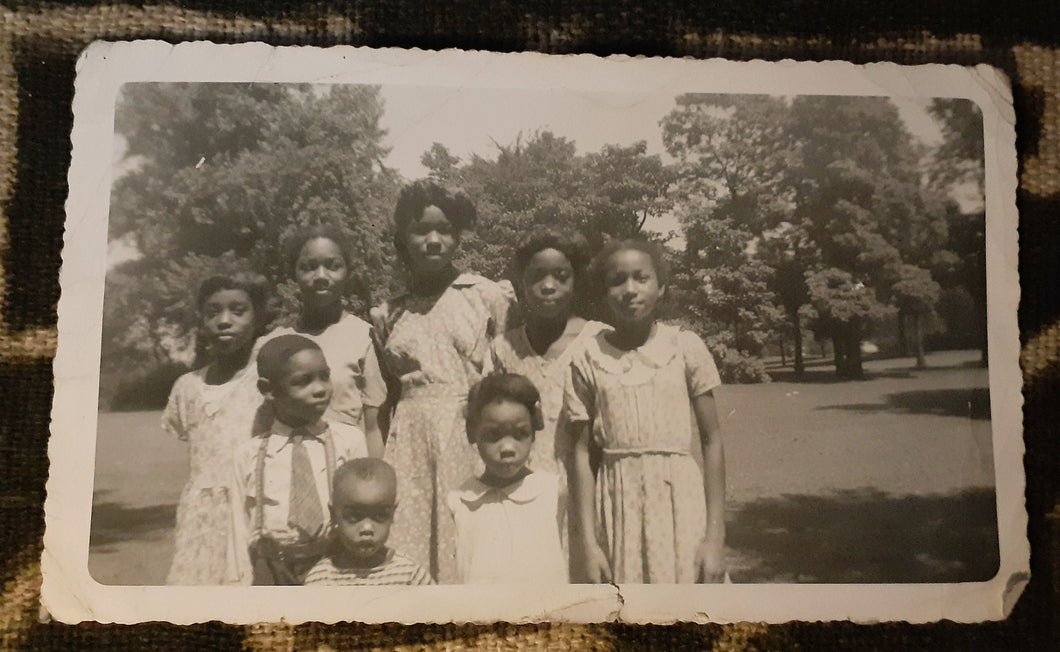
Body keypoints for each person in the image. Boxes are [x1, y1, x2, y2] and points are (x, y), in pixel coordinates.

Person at [371, 179, 517, 583]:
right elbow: (385, 397)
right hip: (410, 445)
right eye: (421, 231)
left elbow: (511, 378)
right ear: (403, 236)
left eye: (445, 230)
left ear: (458, 236)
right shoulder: (389, 314)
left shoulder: (485, 296)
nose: (433, 241)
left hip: (468, 436)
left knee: (472, 550)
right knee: (409, 554)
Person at [564, 240, 727, 584]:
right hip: (618, 505)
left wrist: (715, 538)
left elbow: (712, 441)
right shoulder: (587, 357)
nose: (630, 290)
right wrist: (589, 544)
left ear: (661, 286)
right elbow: (579, 454)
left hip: (680, 503)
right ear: (604, 292)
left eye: (642, 278)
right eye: (617, 280)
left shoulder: (684, 347)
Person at [489, 230, 605, 577]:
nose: (549, 285)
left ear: (576, 281)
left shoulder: (598, 339)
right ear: (520, 283)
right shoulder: (503, 348)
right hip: (521, 488)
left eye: (561, 276)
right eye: (537, 276)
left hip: (588, 490)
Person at [234, 334, 368, 585]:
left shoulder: (349, 440)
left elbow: (364, 513)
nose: (320, 389)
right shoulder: (248, 454)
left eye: (324, 376)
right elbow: (237, 531)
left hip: (338, 570)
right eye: (302, 381)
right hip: (272, 575)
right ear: (268, 390)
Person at [161, 274, 268, 585]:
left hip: (253, 509)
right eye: (213, 312)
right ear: (201, 319)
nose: (224, 321)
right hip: (201, 516)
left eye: (238, 311)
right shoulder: (186, 387)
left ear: (258, 317)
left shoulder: (266, 381)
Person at [261, 227, 387, 457]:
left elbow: (373, 427)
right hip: (287, 466)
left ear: (348, 272)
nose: (320, 276)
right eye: (309, 267)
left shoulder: (364, 336)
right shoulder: (275, 341)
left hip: (347, 464)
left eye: (332, 266)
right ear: (293, 273)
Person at [446, 373, 567, 584]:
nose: (508, 448)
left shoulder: (552, 491)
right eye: (494, 436)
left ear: (533, 433)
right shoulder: (461, 501)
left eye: (520, 434)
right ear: (472, 433)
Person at [303, 458, 432, 586]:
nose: (367, 528)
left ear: (393, 512)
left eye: (380, 516)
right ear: (333, 514)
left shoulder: (410, 575)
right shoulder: (321, 578)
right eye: (354, 517)